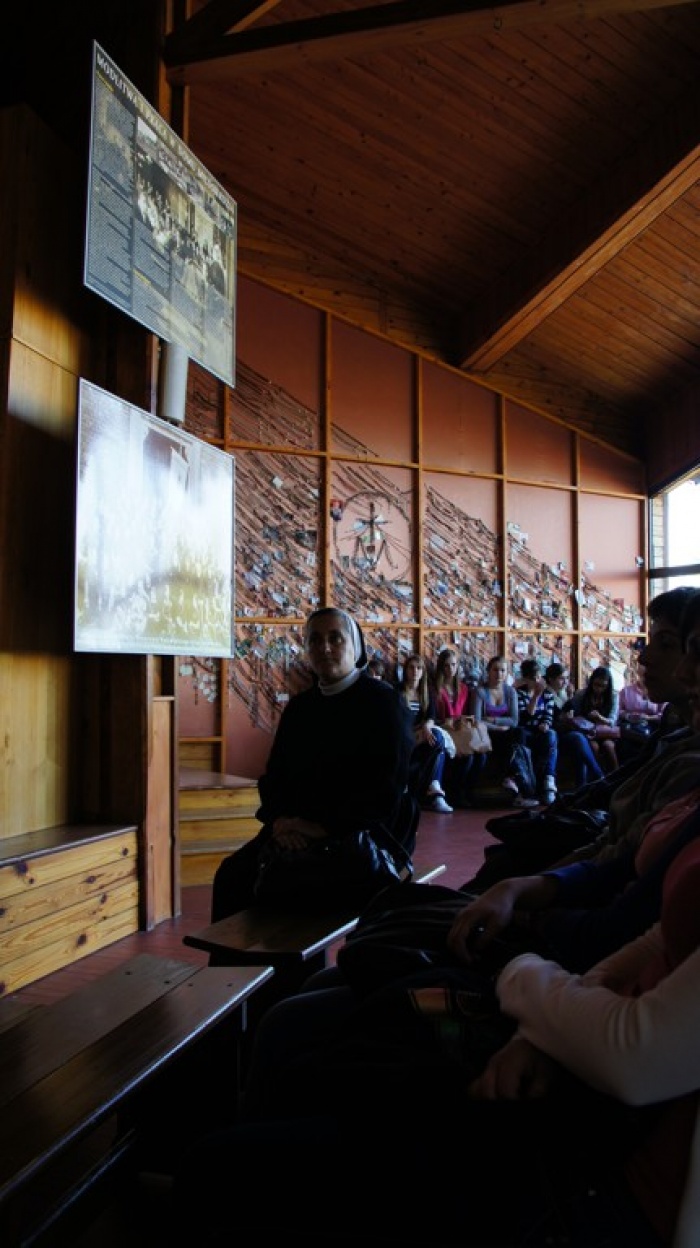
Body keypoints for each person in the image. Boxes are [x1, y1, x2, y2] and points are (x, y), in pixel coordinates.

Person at [209, 606, 417, 922]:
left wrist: (321, 828)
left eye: (336, 638)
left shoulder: (383, 703)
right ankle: (246, 972)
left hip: (361, 833)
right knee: (232, 877)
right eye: (315, 640)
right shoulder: (300, 708)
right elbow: (274, 776)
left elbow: (384, 789)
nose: (325, 648)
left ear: (355, 646)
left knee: (298, 892)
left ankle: (296, 971)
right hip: (293, 829)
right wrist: (280, 821)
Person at [396, 652, 453, 813]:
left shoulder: (428, 692)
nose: (415, 671)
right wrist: (416, 730)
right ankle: (435, 791)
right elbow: (397, 719)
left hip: (421, 736)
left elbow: (431, 716)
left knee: (438, 739)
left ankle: (434, 790)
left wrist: (426, 727)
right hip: (404, 738)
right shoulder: (397, 691)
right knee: (439, 750)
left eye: (419, 668)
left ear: (423, 672)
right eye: (411, 668)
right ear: (405, 670)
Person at [432, 646, 486, 808]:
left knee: (481, 755)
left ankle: (469, 791)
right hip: (444, 730)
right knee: (467, 757)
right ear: (441, 667)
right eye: (447, 665)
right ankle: (456, 793)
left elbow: (469, 713)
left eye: (454, 665)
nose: (451, 669)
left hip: (461, 729)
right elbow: (433, 716)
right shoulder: (435, 689)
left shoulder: (463, 688)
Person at [472, 655, 528, 803]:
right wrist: (499, 727)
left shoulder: (510, 692)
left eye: (503, 670)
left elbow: (514, 720)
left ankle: (510, 778)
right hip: (486, 733)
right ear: (488, 671)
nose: (499, 674)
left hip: (505, 733)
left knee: (519, 733)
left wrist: (494, 720)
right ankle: (512, 779)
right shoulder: (480, 691)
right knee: (510, 739)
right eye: (495, 670)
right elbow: (477, 720)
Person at [545, 660, 604, 789]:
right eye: (561, 679)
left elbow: (571, 713)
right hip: (554, 734)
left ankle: (582, 785)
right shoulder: (546, 694)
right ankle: (598, 776)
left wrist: (570, 697)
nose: (565, 682)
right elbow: (552, 719)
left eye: (566, 678)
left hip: (568, 731)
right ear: (551, 679)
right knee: (578, 738)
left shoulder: (563, 694)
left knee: (580, 742)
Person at [512, 658, 558, 804]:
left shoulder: (548, 695)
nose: (537, 681)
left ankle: (548, 781)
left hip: (541, 732)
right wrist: (535, 697)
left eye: (539, 677)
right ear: (525, 679)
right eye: (533, 678)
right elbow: (524, 718)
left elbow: (549, 715)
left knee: (552, 735)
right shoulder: (519, 694)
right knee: (521, 734)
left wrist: (545, 723)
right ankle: (528, 786)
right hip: (526, 731)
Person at [567, 664, 620, 773]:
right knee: (593, 746)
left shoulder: (613, 696)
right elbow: (574, 713)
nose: (599, 689)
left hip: (605, 732)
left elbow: (612, 720)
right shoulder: (581, 694)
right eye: (596, 685)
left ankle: (616, 775)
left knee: (608, 746)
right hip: (588, 732)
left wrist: (600, 718)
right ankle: (597, 777)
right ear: (591, 682)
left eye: (603, 686)